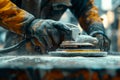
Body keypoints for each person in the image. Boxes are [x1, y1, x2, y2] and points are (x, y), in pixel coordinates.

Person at [0, 0, 110, 54]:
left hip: (50, 50)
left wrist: (97, 30)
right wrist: (29, 23)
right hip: (16, 49)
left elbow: (86, 8)